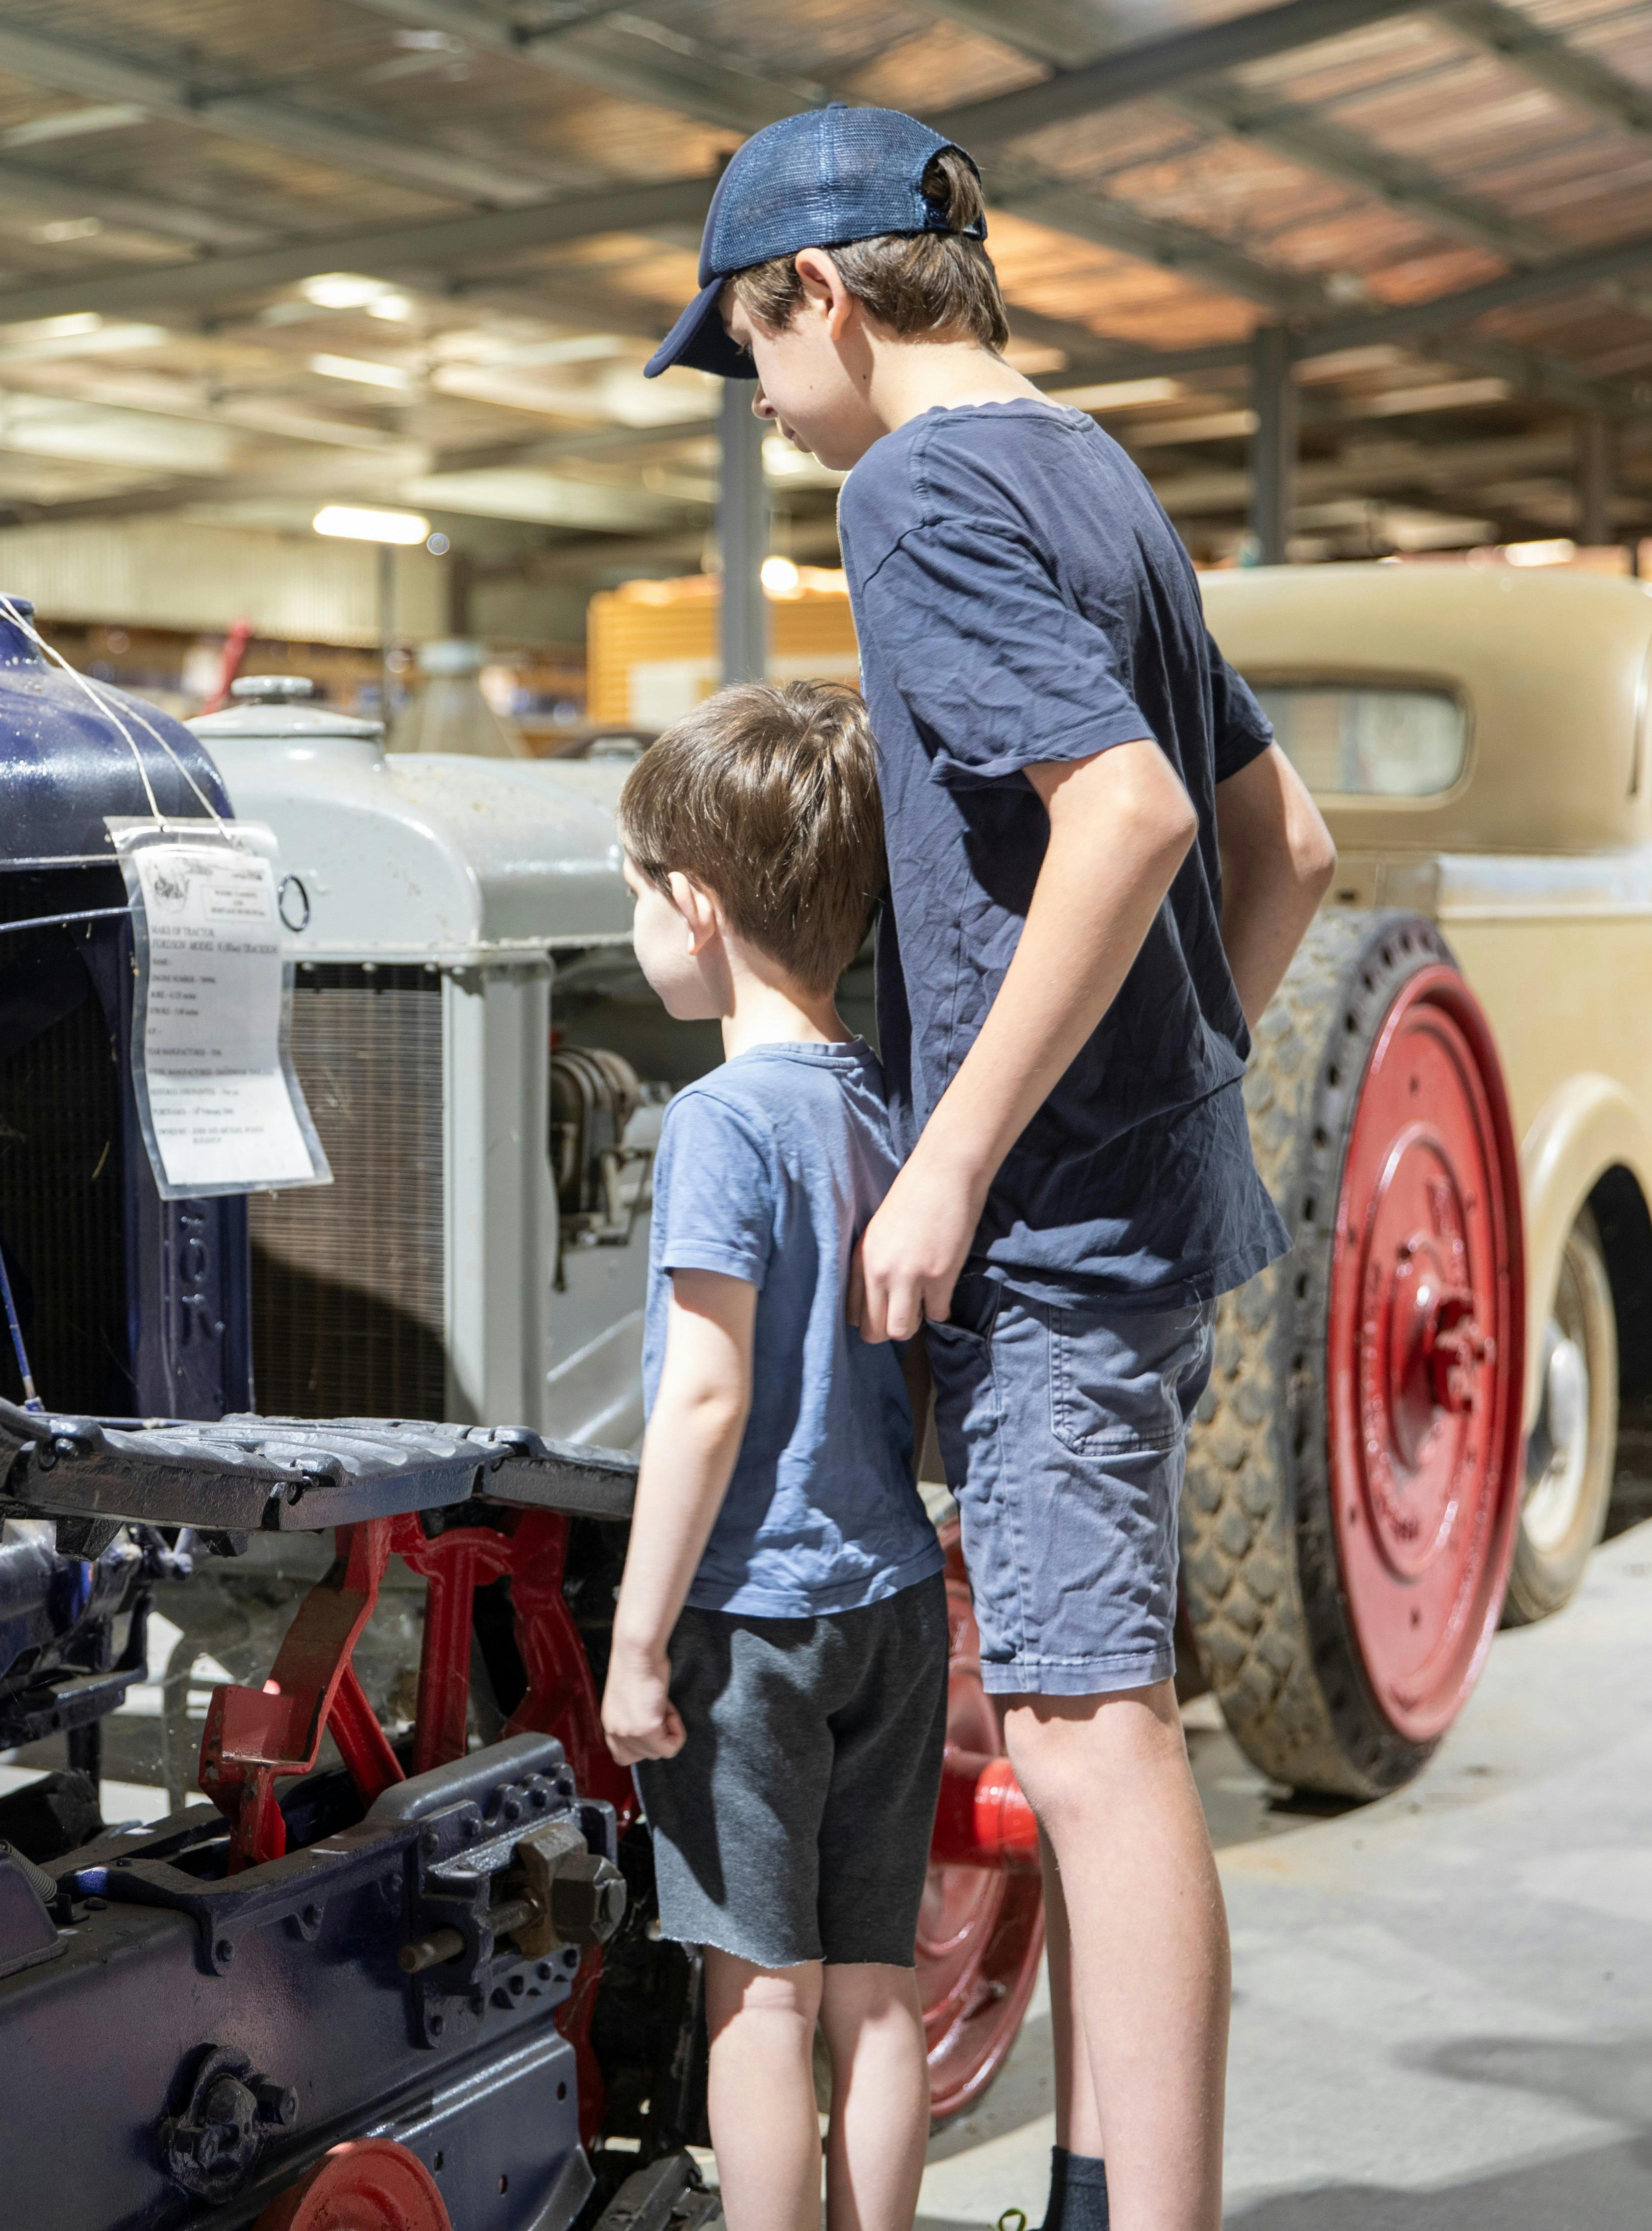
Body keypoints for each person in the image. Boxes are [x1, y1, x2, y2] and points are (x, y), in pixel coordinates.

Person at [642, 107, 1339, 2231]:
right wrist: (1158, 1089)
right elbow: (1284, 846)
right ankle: (1103, 2186)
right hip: (1148, 1219)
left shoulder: (920, 488)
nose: (759, 402)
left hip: (1051, 1250)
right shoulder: (1089, 465)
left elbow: (1128, 817)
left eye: (750, 351)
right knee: (1096, 1717)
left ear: (823, 296)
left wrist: (951, 1160)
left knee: (1092, 1740)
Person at [598, 679, 949, 2231]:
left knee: (761, 1998)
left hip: (756, 1625)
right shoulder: (891, 1103)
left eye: (633, 895)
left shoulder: (720, 1123)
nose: (634, 931)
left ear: (698, 906)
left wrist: (634, 1637)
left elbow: (705, 1398)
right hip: (897, 1603)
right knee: (877, 1991)